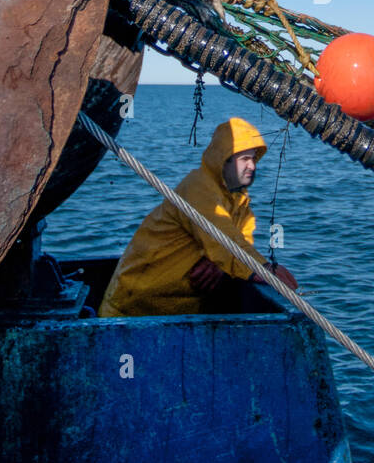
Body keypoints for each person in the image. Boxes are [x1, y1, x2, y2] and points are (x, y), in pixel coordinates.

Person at [98, 116, 297, 317]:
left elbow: (238, 238)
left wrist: (220, 264)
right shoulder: (197, 188)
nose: (252, 166)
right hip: (129, 312)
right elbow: (219, 233)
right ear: (223, 160)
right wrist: (260, 268)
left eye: (253, 158)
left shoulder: (237, 200)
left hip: (175, 315)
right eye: (244, 159)